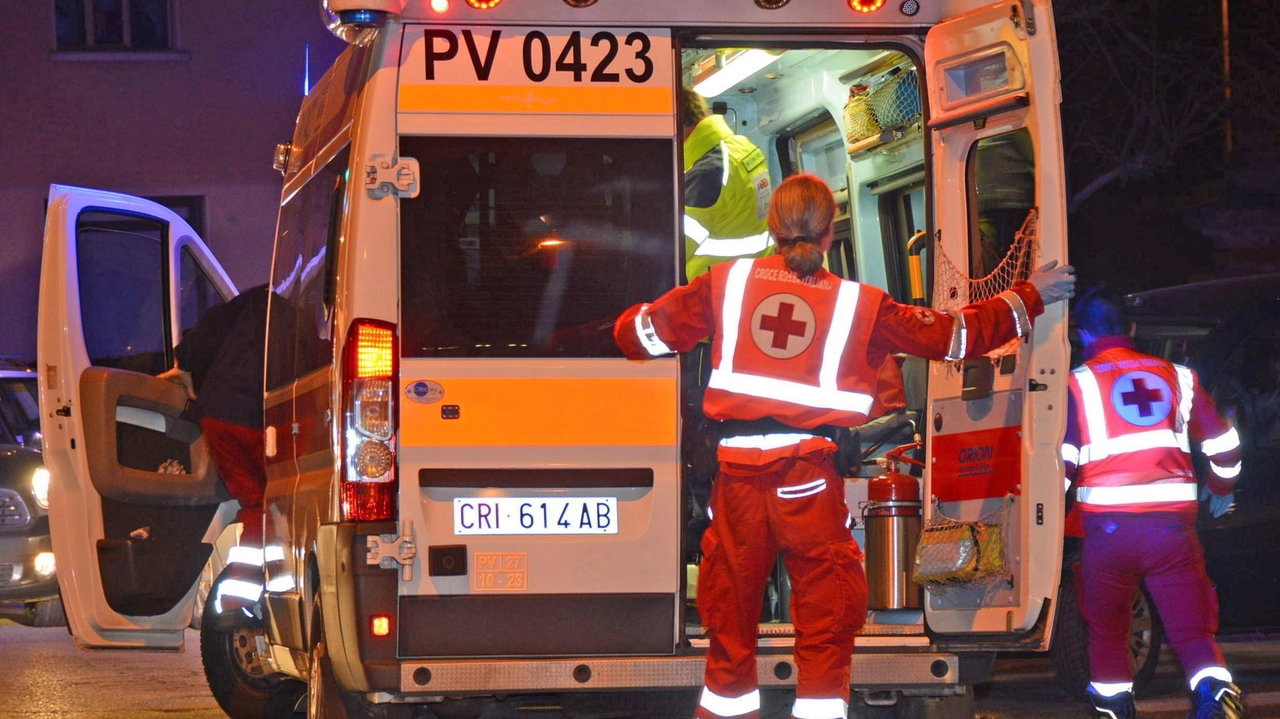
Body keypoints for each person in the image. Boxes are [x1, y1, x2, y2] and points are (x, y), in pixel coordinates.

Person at [613, 174, 1075, 719]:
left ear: (771, 227)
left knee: (730, 615)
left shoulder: (725, 283)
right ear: (832, 232)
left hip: (735, 478)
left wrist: (631, 317)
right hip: (807, 479)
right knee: (826, 615)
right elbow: (953, 338)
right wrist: (1028, 297)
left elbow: (638, 339)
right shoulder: (860, 302)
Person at [1061, 288, 1245, 719]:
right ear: (1132, 328)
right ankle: (1216, 696)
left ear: (1083, 333)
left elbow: (1064, 462)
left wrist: (1044, 517)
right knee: (1192, 630)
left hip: (1106, 534)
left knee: (1107, 632)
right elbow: (1225, 444)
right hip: (1171, 531)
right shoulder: (1180, 377)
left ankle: (1113, 711)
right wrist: (1221, 489)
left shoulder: (1077, 383)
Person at [159, 284, 271, 623]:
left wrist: (186, 366)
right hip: (255, 419)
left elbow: (208, 327)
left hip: (217, 415)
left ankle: (237, 603)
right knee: (268, 504)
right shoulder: (304, 313)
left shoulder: (255, 299)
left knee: (254, 504)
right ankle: (245, 599)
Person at [682, 86, 775, 280]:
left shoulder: (705, 174)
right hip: (758, 278)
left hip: (716, 292)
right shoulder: (744, 148)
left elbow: (674, 252)